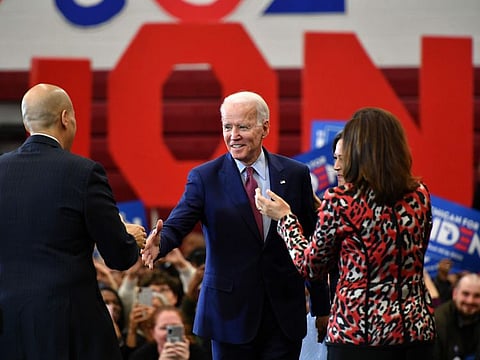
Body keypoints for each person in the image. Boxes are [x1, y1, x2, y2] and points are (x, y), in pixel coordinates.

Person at [142, 90, 330, 359]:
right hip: (229, 315)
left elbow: (313, 246)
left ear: (265, 127)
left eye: (242, 126)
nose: (233, 135)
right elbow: (177, 223)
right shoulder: (205, 177)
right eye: (227, 127)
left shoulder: (295, 174)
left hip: (283, 315)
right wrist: (160, 243)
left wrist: (322, 307)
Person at [255, 107, 436, 360]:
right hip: (416, 332)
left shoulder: (341, 201)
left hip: (357, 335)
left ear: (359, 152)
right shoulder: (420, 194)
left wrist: (286, 219)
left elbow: (310, 266)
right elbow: (410, 250)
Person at [0, 83, 146, 359]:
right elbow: (117, 255)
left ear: (26, 122)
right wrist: (130, 238)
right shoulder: (84, 172)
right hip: (68, 327)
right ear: (65, 118)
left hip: (9, 325)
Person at [129, 305, 210, 360]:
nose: (170, 332)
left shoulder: (198, 353)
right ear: (153, 332)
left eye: (175, 326)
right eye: (164, 328)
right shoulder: (141, 356)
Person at [434, 273, 480, 360]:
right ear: (455, 294)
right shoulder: (438, 322)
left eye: (477, 296)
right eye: (465, 294)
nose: (470, 301)